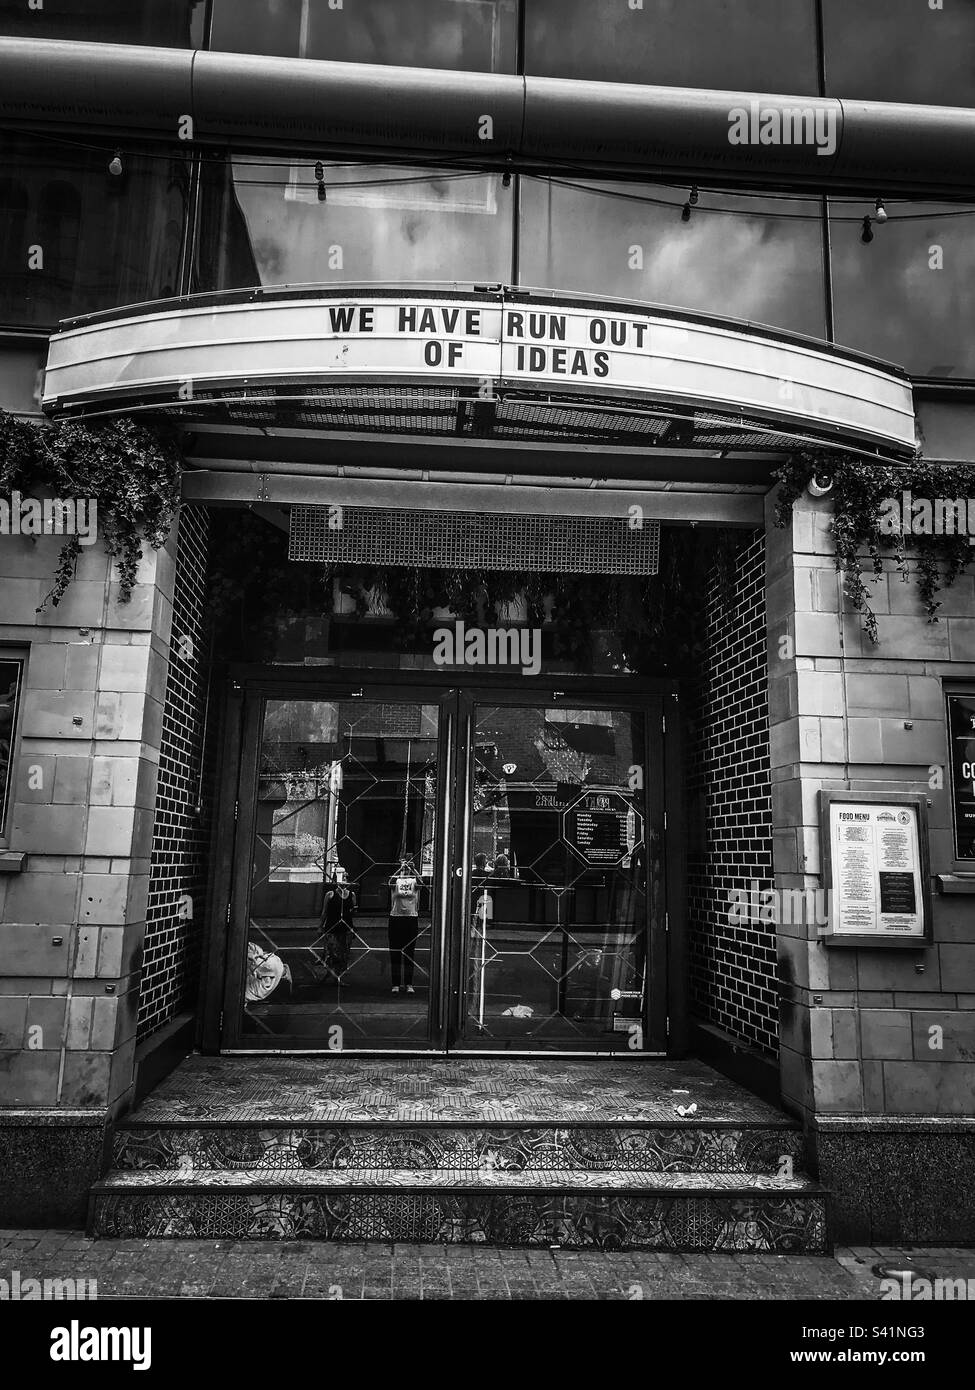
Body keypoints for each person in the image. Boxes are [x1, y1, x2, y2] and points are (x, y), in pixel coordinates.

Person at [387, 857, 420, 994]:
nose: (405, 871)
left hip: (411, 919)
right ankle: (395, 984)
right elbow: (389, 882)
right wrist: (400, 868)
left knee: (409, 952)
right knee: (395, 951)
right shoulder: (397, 881)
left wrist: (413, 869)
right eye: (404, 869)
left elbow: (423, 884)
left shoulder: (414, 882)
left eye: (407, 869)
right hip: (396, 918)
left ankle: (408, 983)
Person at [319, 867, 356, 980]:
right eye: (341, 877)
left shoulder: (352, 895)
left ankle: (338, 977)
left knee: (344, 954)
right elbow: (324, 912)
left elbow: (352, 912)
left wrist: (353, 911)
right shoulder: (330, 895)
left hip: (346, 928)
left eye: (345, 877)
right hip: (332, 927)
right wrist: (320, 926)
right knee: (331, 952)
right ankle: (328, 973)